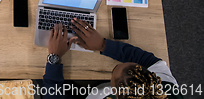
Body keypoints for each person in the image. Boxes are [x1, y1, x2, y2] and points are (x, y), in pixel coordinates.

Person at [42, 20, 182, 99]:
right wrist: (103, 45)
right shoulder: (166, 89)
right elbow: (149, 61)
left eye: (113, 78)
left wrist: (54, 59)